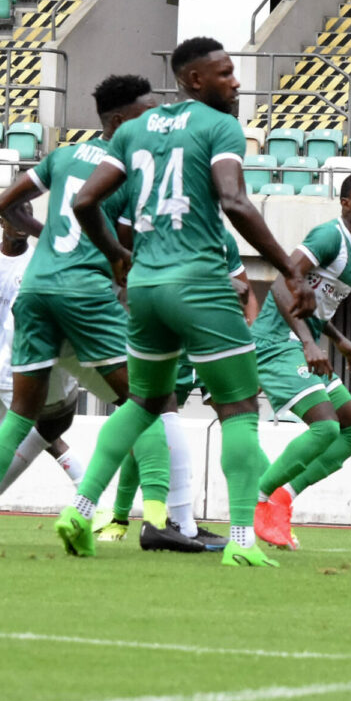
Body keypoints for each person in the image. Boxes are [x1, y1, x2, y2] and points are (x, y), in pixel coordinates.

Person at [55, 36, 316, 567]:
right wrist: (290, 269)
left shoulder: (132, 130)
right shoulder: (220, 126)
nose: (236, 81)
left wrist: (119, 258)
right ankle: (242, 542)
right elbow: (234, 200)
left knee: (142, 403)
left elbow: (86, 201)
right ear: (194, 80)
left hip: (147, 287)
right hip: (199, 282)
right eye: (225, 73)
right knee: (240, 408)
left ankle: (82, 510)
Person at [0, 75, 196, 552]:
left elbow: (5, 202)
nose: (152, 123)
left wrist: (46, 233)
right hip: (85, 294)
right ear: (116, 122)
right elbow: (126, 247)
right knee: (148, 399)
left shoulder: (63, 156)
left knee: (24, 416)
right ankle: (155, 520)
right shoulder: (129, 170)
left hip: (36, 290)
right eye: (144, 115)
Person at [98, 228, 257, 551]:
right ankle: (175, 523)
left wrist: (245, 336)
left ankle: (125, 516)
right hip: (161, 339)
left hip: (203, 344)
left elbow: (246, 293)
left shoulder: (222, 239)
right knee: (152, 419)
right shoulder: (152, 230)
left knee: (149, 428)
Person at [251, 171, 351, 550]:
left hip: (299, 339)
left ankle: (282, 498)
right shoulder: (329, 237)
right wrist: (308, 344)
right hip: (276, 341)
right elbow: (282, 284)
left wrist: (340, 340)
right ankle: (259, 502)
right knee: (325, 428)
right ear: (345, 204)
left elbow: (314, 304)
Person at [0, 208, 86, 531]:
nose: (22, 224)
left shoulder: (39, 262)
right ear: (1, 222)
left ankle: (89, 501)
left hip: (22, 366)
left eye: (27, 216)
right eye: (15, 216)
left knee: (47, 437)